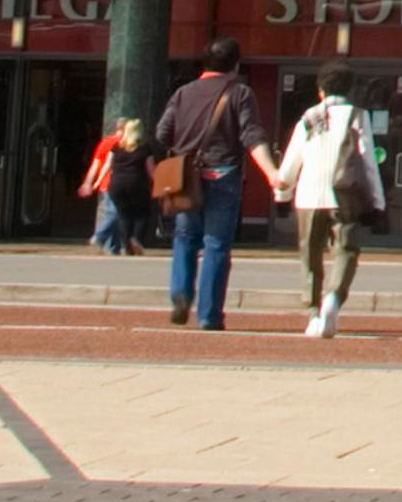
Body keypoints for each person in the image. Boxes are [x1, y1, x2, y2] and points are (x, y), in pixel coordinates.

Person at [152, 39, 282, 332]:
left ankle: (181, 295)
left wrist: (185, 146)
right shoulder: (240, 93)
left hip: (188, 177)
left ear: (204, 63)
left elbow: (162, 133)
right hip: (223, 176)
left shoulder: (183, 93)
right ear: (235, 65)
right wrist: (271, 172)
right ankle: (209, 315)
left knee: (184, 237)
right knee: (217, 245)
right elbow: (252, 135)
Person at [272, 78, 387, 337]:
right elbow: (368, 159)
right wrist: (378, 201)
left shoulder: (309, 116)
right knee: (346, 249)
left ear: (321, 90)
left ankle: (313, 312)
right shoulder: (358, 115)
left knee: (310, 253)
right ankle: (333, 298)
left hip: (309, 195)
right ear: (349, 89)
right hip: (345, 194)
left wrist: (283, 191)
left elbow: (293, 156)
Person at [81, 115, 154, 256]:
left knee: (122, 215)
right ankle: (134, 239)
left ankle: (123, 245)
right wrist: (159, 184)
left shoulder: (116, 146)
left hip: (115, 185)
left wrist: (95, 182)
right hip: (137, 184)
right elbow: (151, 170)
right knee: (141, 213)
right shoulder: (144, 148)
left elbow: (106, 166)